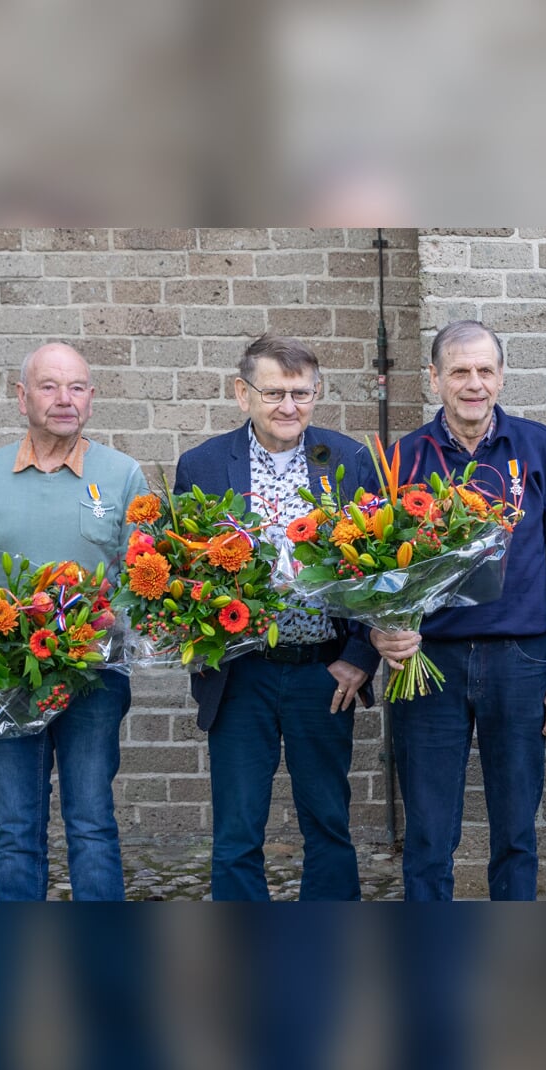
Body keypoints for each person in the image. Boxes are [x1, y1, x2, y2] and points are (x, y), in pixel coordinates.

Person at [369, 320, 546, 900]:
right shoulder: (401, 460)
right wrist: (382, 631)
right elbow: (368, 569)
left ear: (501, 377)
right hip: (428, 661)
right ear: (435, 378)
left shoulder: (539, 448)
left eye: (485, 371)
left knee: (516, 831)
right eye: (460, 371)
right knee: (427, 831)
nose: (474, 384)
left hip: (520, 660)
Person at [0, 342, 148, 901]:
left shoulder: (123, 476)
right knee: (15, 833)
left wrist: (107, 620)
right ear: (22, 396)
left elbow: (145, 580)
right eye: (50, 387)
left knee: (92, 824)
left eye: (76, 387)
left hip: (94, 680)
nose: (64, 400)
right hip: (1, 679)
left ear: (92, 398)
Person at [174, 334, 380, 900]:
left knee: (328, 824)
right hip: (240, 673)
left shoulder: (349, 460)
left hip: (324, 672)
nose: (290, 406)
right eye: (274, 393)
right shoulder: (204, 465)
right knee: (237, 830)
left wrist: (359, 658)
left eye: (302, 393)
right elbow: (185, 571)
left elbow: (381, 572)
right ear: (243, 394)